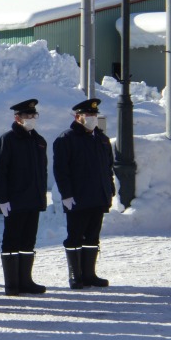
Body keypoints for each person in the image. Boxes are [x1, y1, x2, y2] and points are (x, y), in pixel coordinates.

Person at [53, 98, 114, 289]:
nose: (92, 118)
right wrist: (66, 194)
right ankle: (75, 275)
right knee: (75, 236)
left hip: (98, 196)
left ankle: (89, 274)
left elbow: (108, 167)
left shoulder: (102, 139)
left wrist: (109, 190)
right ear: (77, 116)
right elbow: (61, 170)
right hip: (77, 198)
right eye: (88, 115)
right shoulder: (66, 139)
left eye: (94, 115)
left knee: (93, 237)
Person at [0, 99, 47, 296]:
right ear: (17, 118)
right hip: (14, 200)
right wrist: (2, 198)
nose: (31, 119)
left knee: (28, 241)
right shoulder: (7, 140)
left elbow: (42, 173)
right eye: (27, 116)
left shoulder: (39, 141)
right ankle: (12, 283)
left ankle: (26, 280)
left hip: (33, 200)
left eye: (33, 115)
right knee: (12, 240)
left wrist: (41, 198)